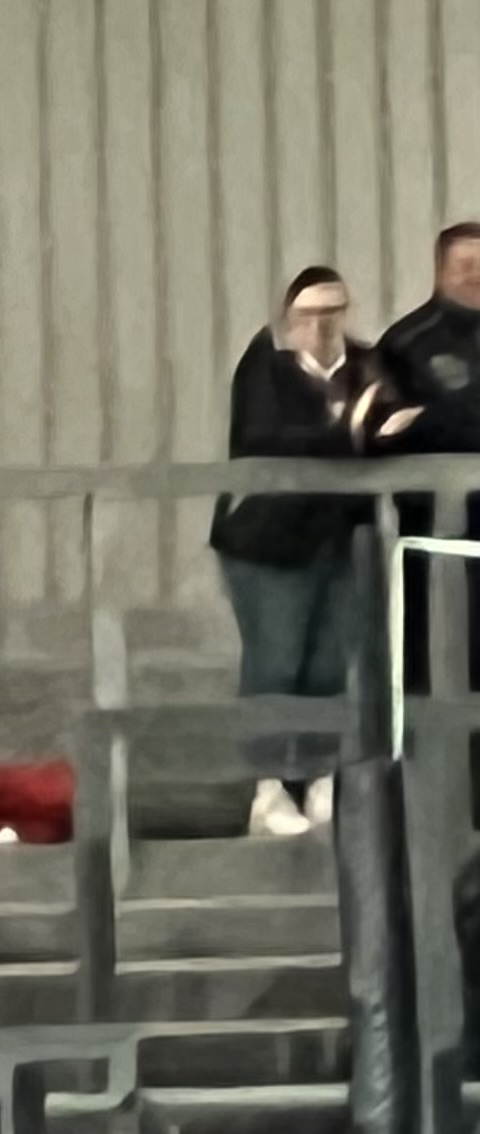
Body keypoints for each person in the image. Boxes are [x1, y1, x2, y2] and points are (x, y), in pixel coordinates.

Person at [214, 268, 383, 839]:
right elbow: (266, 437)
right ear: (290, 317)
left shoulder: (366, 365)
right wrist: (346, 431)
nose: (322, 325)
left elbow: (393, 425)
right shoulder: (265, 363)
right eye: (309, 314)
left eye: (333, 311)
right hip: (268, 541)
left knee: (332, 663)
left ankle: (319, 775)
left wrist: (358, 429)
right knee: (277, 663)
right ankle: (268, 785)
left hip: (341, 534)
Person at [370, 224, 480, 689]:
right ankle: (434, 756)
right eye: (465, 266)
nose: (476, 276)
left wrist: (433, 416)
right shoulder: (405, 343)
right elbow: (387, 431)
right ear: (440, 271)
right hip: (435, 530)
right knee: (435, 653)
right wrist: (443, 420)